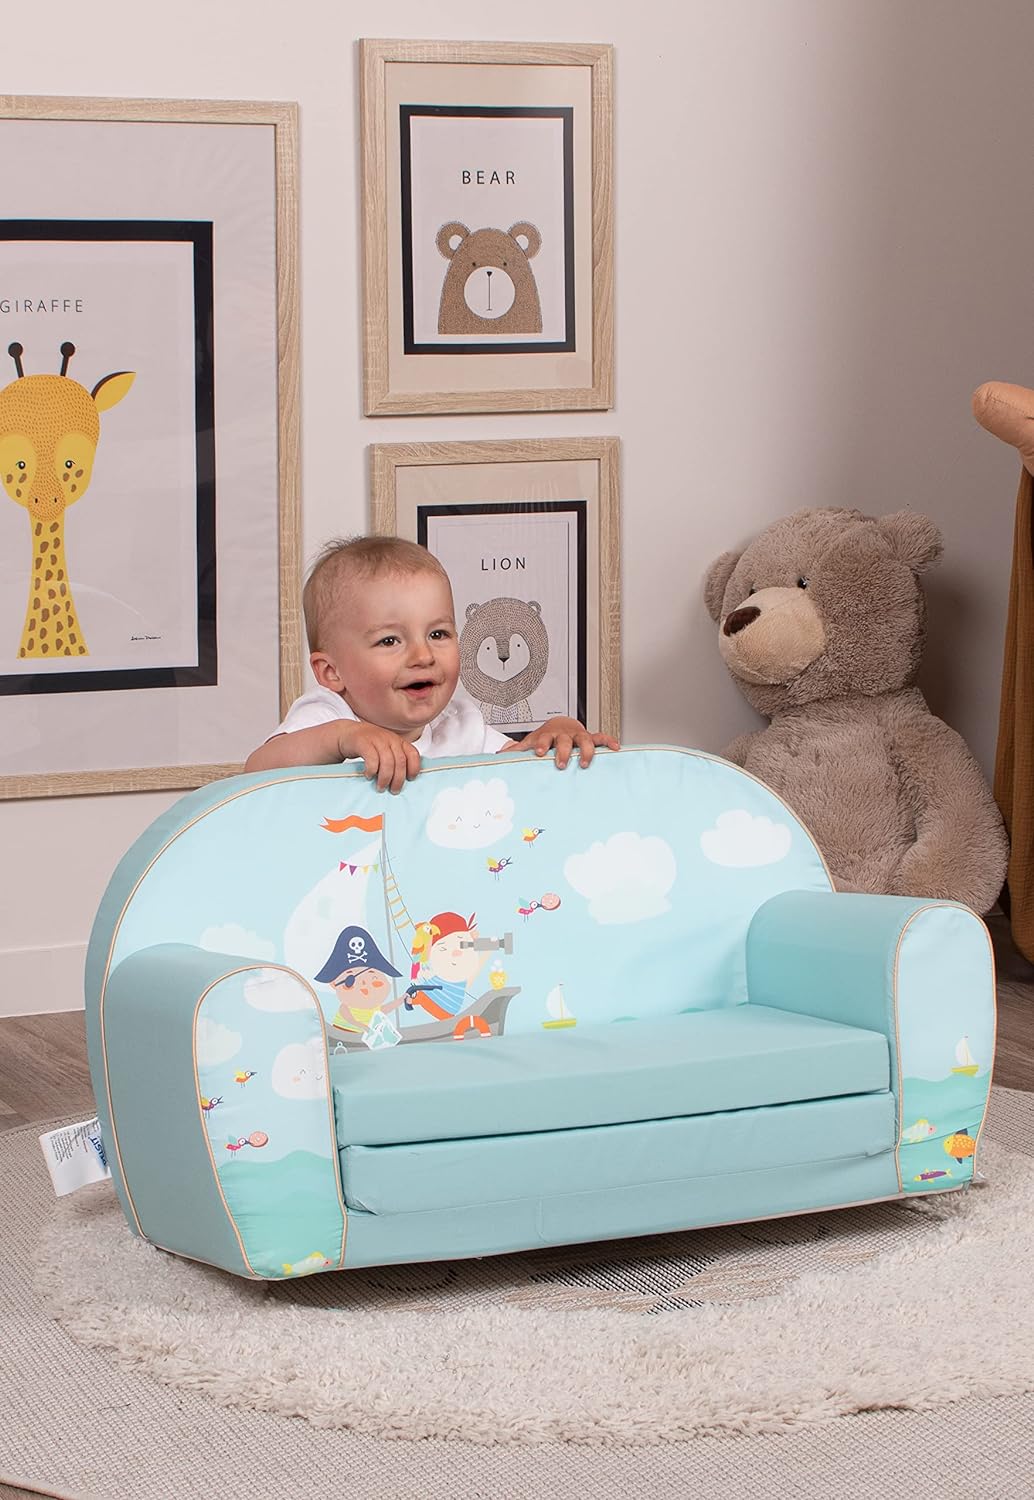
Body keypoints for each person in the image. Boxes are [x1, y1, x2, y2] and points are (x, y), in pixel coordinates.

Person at [244, 535, 619, 791]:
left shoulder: (459, 724)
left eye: (438, 634)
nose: (423, 656)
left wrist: (552, 737)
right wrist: (344, 739)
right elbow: (257, 772)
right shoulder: (328, 717)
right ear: (332, 672)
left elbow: (513, 772)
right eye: (390, 641)